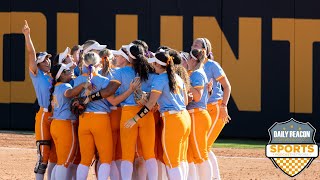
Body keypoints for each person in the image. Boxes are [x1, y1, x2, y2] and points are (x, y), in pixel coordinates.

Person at [85, 44, 158, 180]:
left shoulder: (120, 72)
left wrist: (90, 97)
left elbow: (108, 92)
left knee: (127, 155)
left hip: (128, 113)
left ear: (128, 57)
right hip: (146, 113)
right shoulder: (150, 71)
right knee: (149, 154)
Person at [124, 51, 190, 179]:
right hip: (184, 117)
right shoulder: (177, 77)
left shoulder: (160, 79)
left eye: (154, 63)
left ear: (158, 64)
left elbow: (150, 104)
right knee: (180, 158)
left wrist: (135, 118)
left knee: (171, 160)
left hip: (173, 119)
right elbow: (186, 101)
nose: (152, 66)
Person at [192, 38, 231, 180]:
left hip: (215, 108)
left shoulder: (212, 65)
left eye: (196, 45)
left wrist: (224, 106)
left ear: (205, 50)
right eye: (193, 44)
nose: (193, 46)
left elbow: (227, 86)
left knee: (203, 146)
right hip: (202, 109)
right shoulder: (195, 65)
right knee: (203, 146)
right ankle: (214, 177)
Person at [22, 20, 56, 180]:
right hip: (44, 115)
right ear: (38, 64)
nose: (47, 61)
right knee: (44, 152)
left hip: (56, 116)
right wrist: (27, 36)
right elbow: (30, 54)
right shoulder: (36, 74)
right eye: (44, 60)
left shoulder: (54, 76)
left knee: (55, 153)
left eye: (48, 59)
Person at [49, 63, 89, 179]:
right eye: (66, 70)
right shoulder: (65, 86)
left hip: (56, 124)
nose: (69, 71)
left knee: (61, 161)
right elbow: (69, 93)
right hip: (65, 125)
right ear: (61, 75)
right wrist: (83, 84)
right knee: (65, 162)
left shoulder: (57, 86)